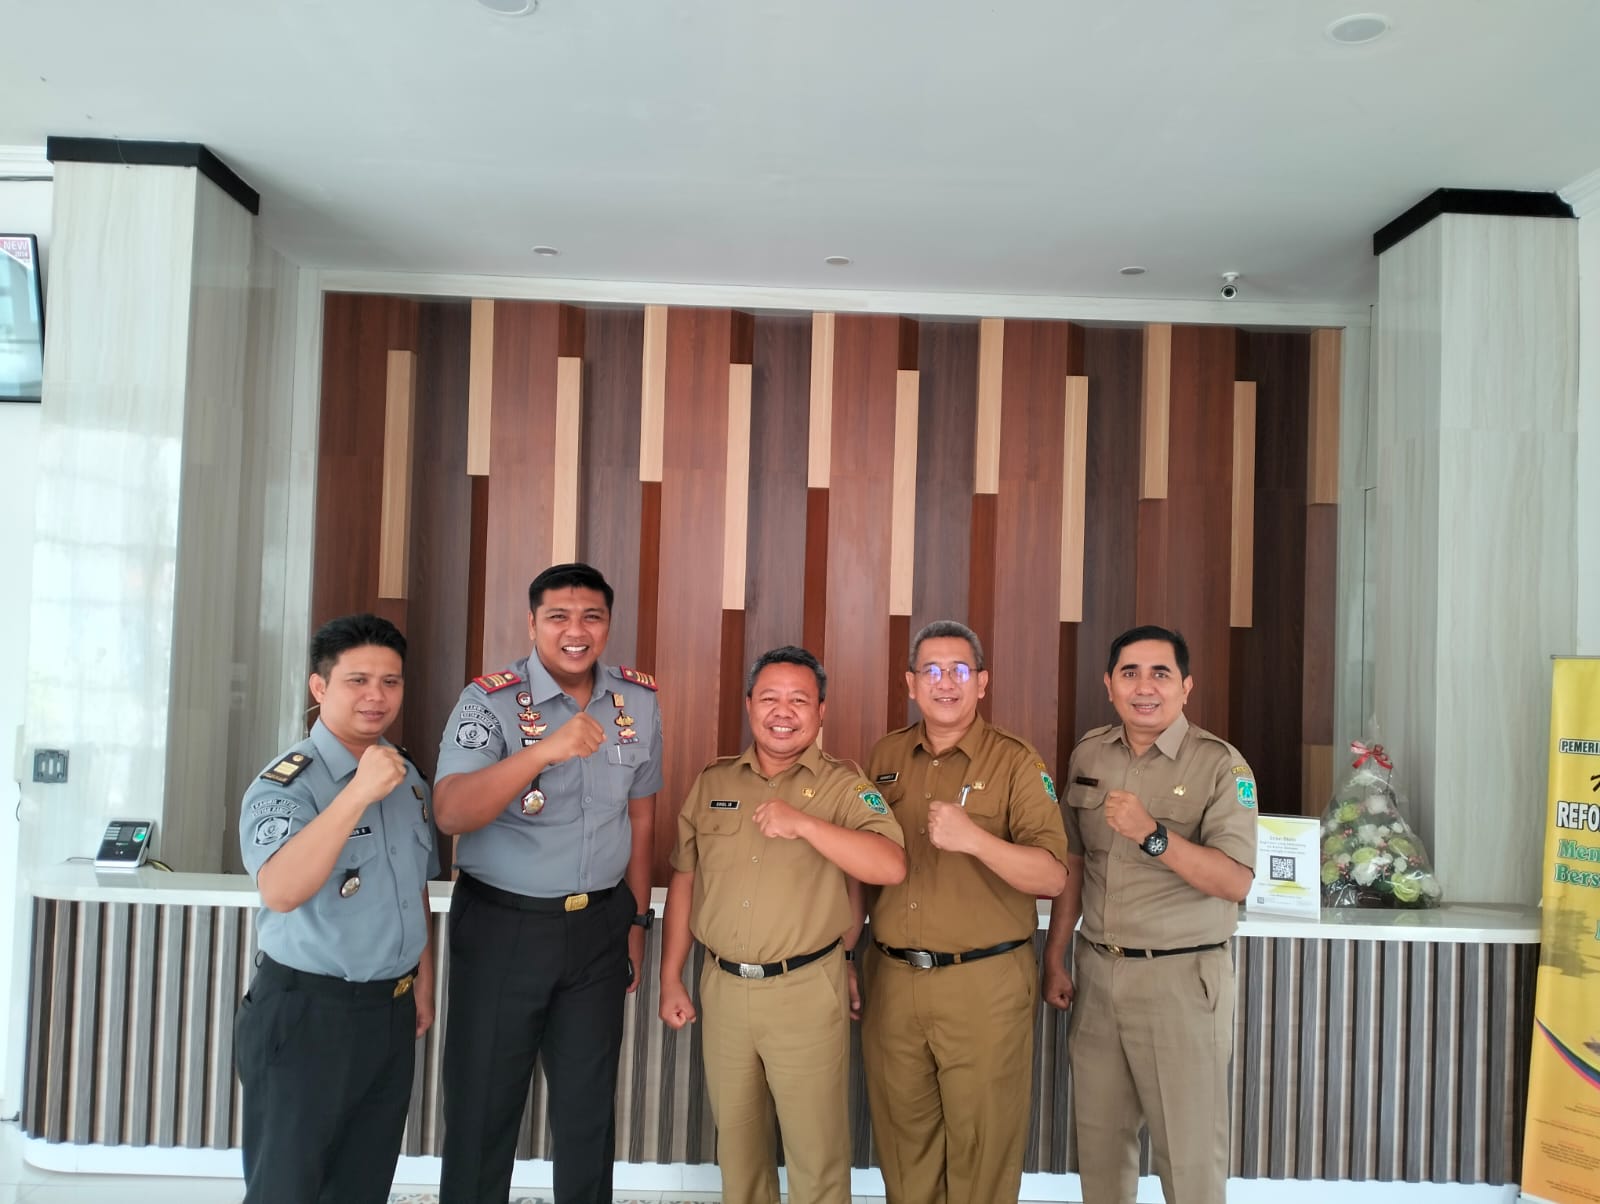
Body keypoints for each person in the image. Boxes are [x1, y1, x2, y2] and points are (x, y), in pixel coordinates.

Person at [434, 562, 661, 1204]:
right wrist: (543, 750)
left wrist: (636, 920)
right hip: (503, 928)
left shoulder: (637, 700)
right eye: (558, 616)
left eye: (591, 617)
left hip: (599, 928)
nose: (575, 631)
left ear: (608, 625)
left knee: (588, 1114)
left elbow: (642, 818)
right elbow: (451, 812)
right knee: (483, 1109)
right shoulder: (490, 701)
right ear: (532, 623)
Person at [659, 646, 906, 1204]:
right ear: (749, 705)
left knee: (816, 1156)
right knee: (739, 1153)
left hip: (805, 990)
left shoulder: (844, 785)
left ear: (821, 711)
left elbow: (890, 865)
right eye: (770, 698)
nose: (783, 712)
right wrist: (671, 977)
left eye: (799, 700)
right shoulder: (714, 781)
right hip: (723, 988)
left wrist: (805, 825)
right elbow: (685, 878)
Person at [1043, 624, 1258, 1204]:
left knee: (1188, 1160)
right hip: (1098, 974)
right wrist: (1056, 955)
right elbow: (1073, 861)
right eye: (1130, 673)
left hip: (1180, 981)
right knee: (1100, 1153)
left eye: (1160, 674)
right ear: (1109, 684)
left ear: (1185, 686)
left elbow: (1235, 880)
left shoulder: (1221, 766)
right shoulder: (1090, 752)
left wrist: (1153, 835)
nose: (1144, 687)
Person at [860, 619, 1070, 1204]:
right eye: (930, 670)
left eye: (958, 670)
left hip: (984, 984)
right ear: (910, 683)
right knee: (905, 1156)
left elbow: (1053, 875)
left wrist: (975, 840)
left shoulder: (1016, 762)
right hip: (894, 981)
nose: (944, 682)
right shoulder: (885, 755)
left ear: (982, 682)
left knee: (983, 1155)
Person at [235, 612, 437, 1204]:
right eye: (358, 681)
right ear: (319, 687)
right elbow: (281, 889)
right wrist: (356, 794)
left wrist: (422, 981)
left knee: (362, 1186)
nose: (377, 696)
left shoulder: (407, 777)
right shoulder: (286, 784)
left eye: (391, 681)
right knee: (287, 1189)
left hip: (389, 1012)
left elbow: (412, 887)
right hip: (308, 1014)